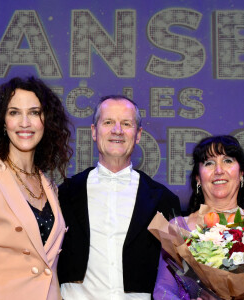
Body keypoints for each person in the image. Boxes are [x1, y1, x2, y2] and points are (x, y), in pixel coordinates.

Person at [57, 95, 181, 299]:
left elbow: (174, 271)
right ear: (94, 131)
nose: (117, 130)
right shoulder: (64, 193)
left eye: (126, 123)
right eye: (108, 122)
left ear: (138, 134)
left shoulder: (163, 200)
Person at [0, 76, 72, 300]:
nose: (25, 122)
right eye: (14, 112)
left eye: (34, 112)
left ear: (47, 121)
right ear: (2, 122)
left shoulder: (49, 187)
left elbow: (49, 267)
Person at [153, 135, 244, 300]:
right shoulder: (177, 228)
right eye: (209, 163)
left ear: (241, 173)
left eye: (228, 161)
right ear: (198, 178)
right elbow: (163, 291)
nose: (219, 170)